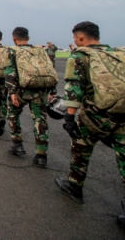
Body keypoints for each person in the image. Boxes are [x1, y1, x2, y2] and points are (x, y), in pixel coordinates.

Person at [53, 21, 125, 225]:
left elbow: (74, 88)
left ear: (80, 37)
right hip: (121, 114)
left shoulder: (80, 55)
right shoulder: (117, 54)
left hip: (95, 116)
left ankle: (75, 186)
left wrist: (69, 117)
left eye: (76, 38)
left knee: (80, 147)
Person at [5, 27, 58, 168]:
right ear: (28, 38)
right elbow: (50, 68)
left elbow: (10, 71)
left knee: (12, 114)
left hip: (22, 91)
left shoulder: (12, 50)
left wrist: (12, 92)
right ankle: (41, 155)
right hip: (41, 91)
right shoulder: (40, 50)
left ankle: (18, 145)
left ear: (14, 38)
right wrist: (53, 90)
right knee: (40, 121)